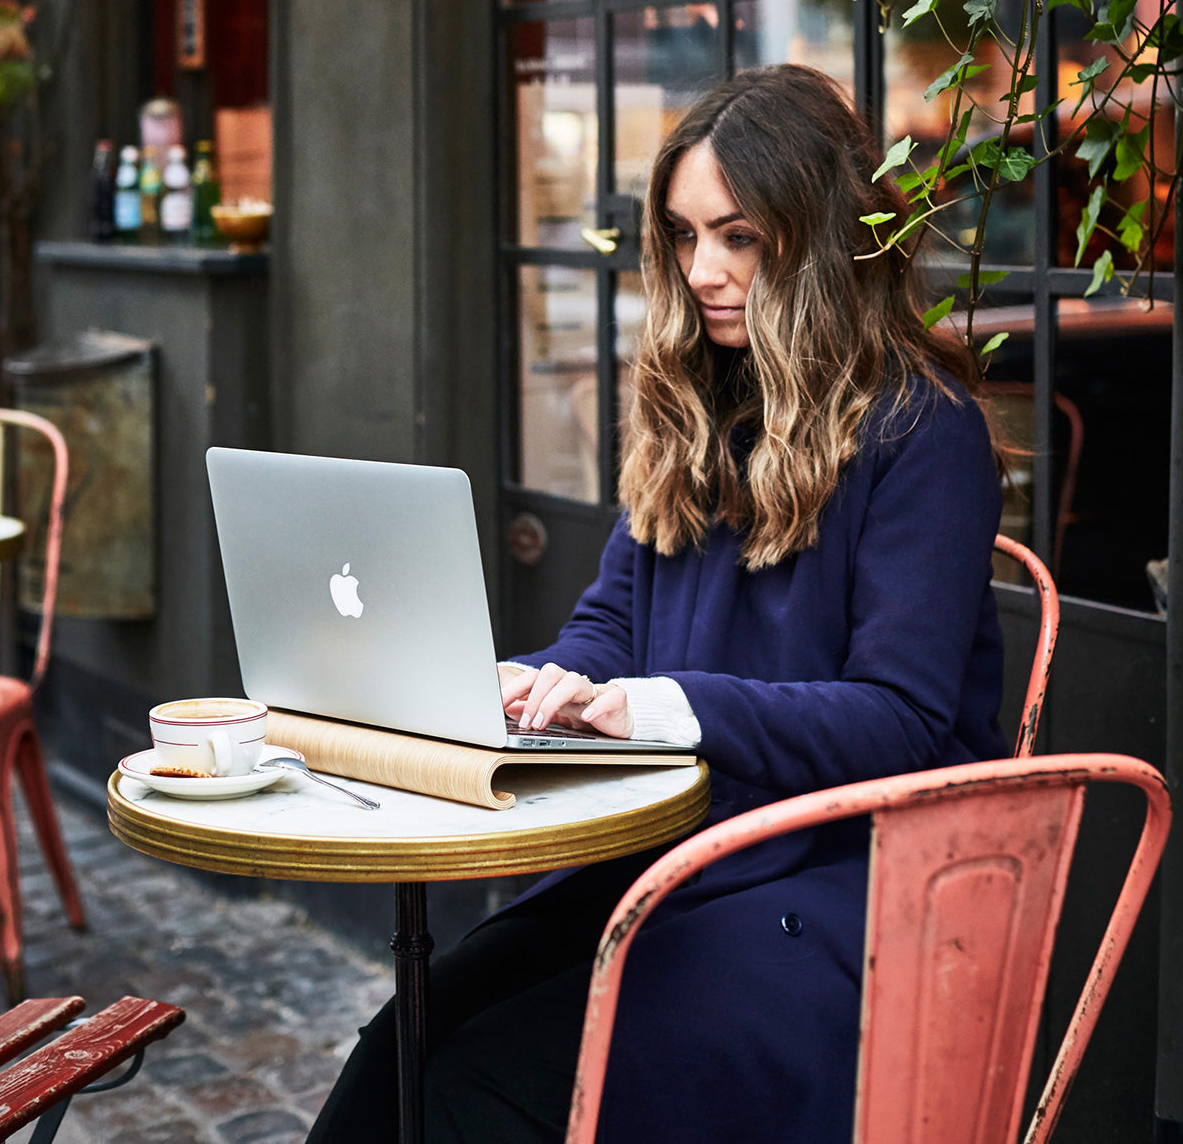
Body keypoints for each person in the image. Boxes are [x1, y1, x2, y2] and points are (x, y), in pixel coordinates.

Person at [307, 64, 1007, 1143]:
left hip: (840, 887)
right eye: (683, 238)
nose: (706, 272)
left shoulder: (923, 434)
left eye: (740, 237)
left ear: (816, 235)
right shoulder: (705, 407)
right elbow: (611, 620)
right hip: (679, 851)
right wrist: (555, 679)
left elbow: (904, 723)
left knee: (473, 1089)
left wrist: (659, 706)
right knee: (397, 1055)